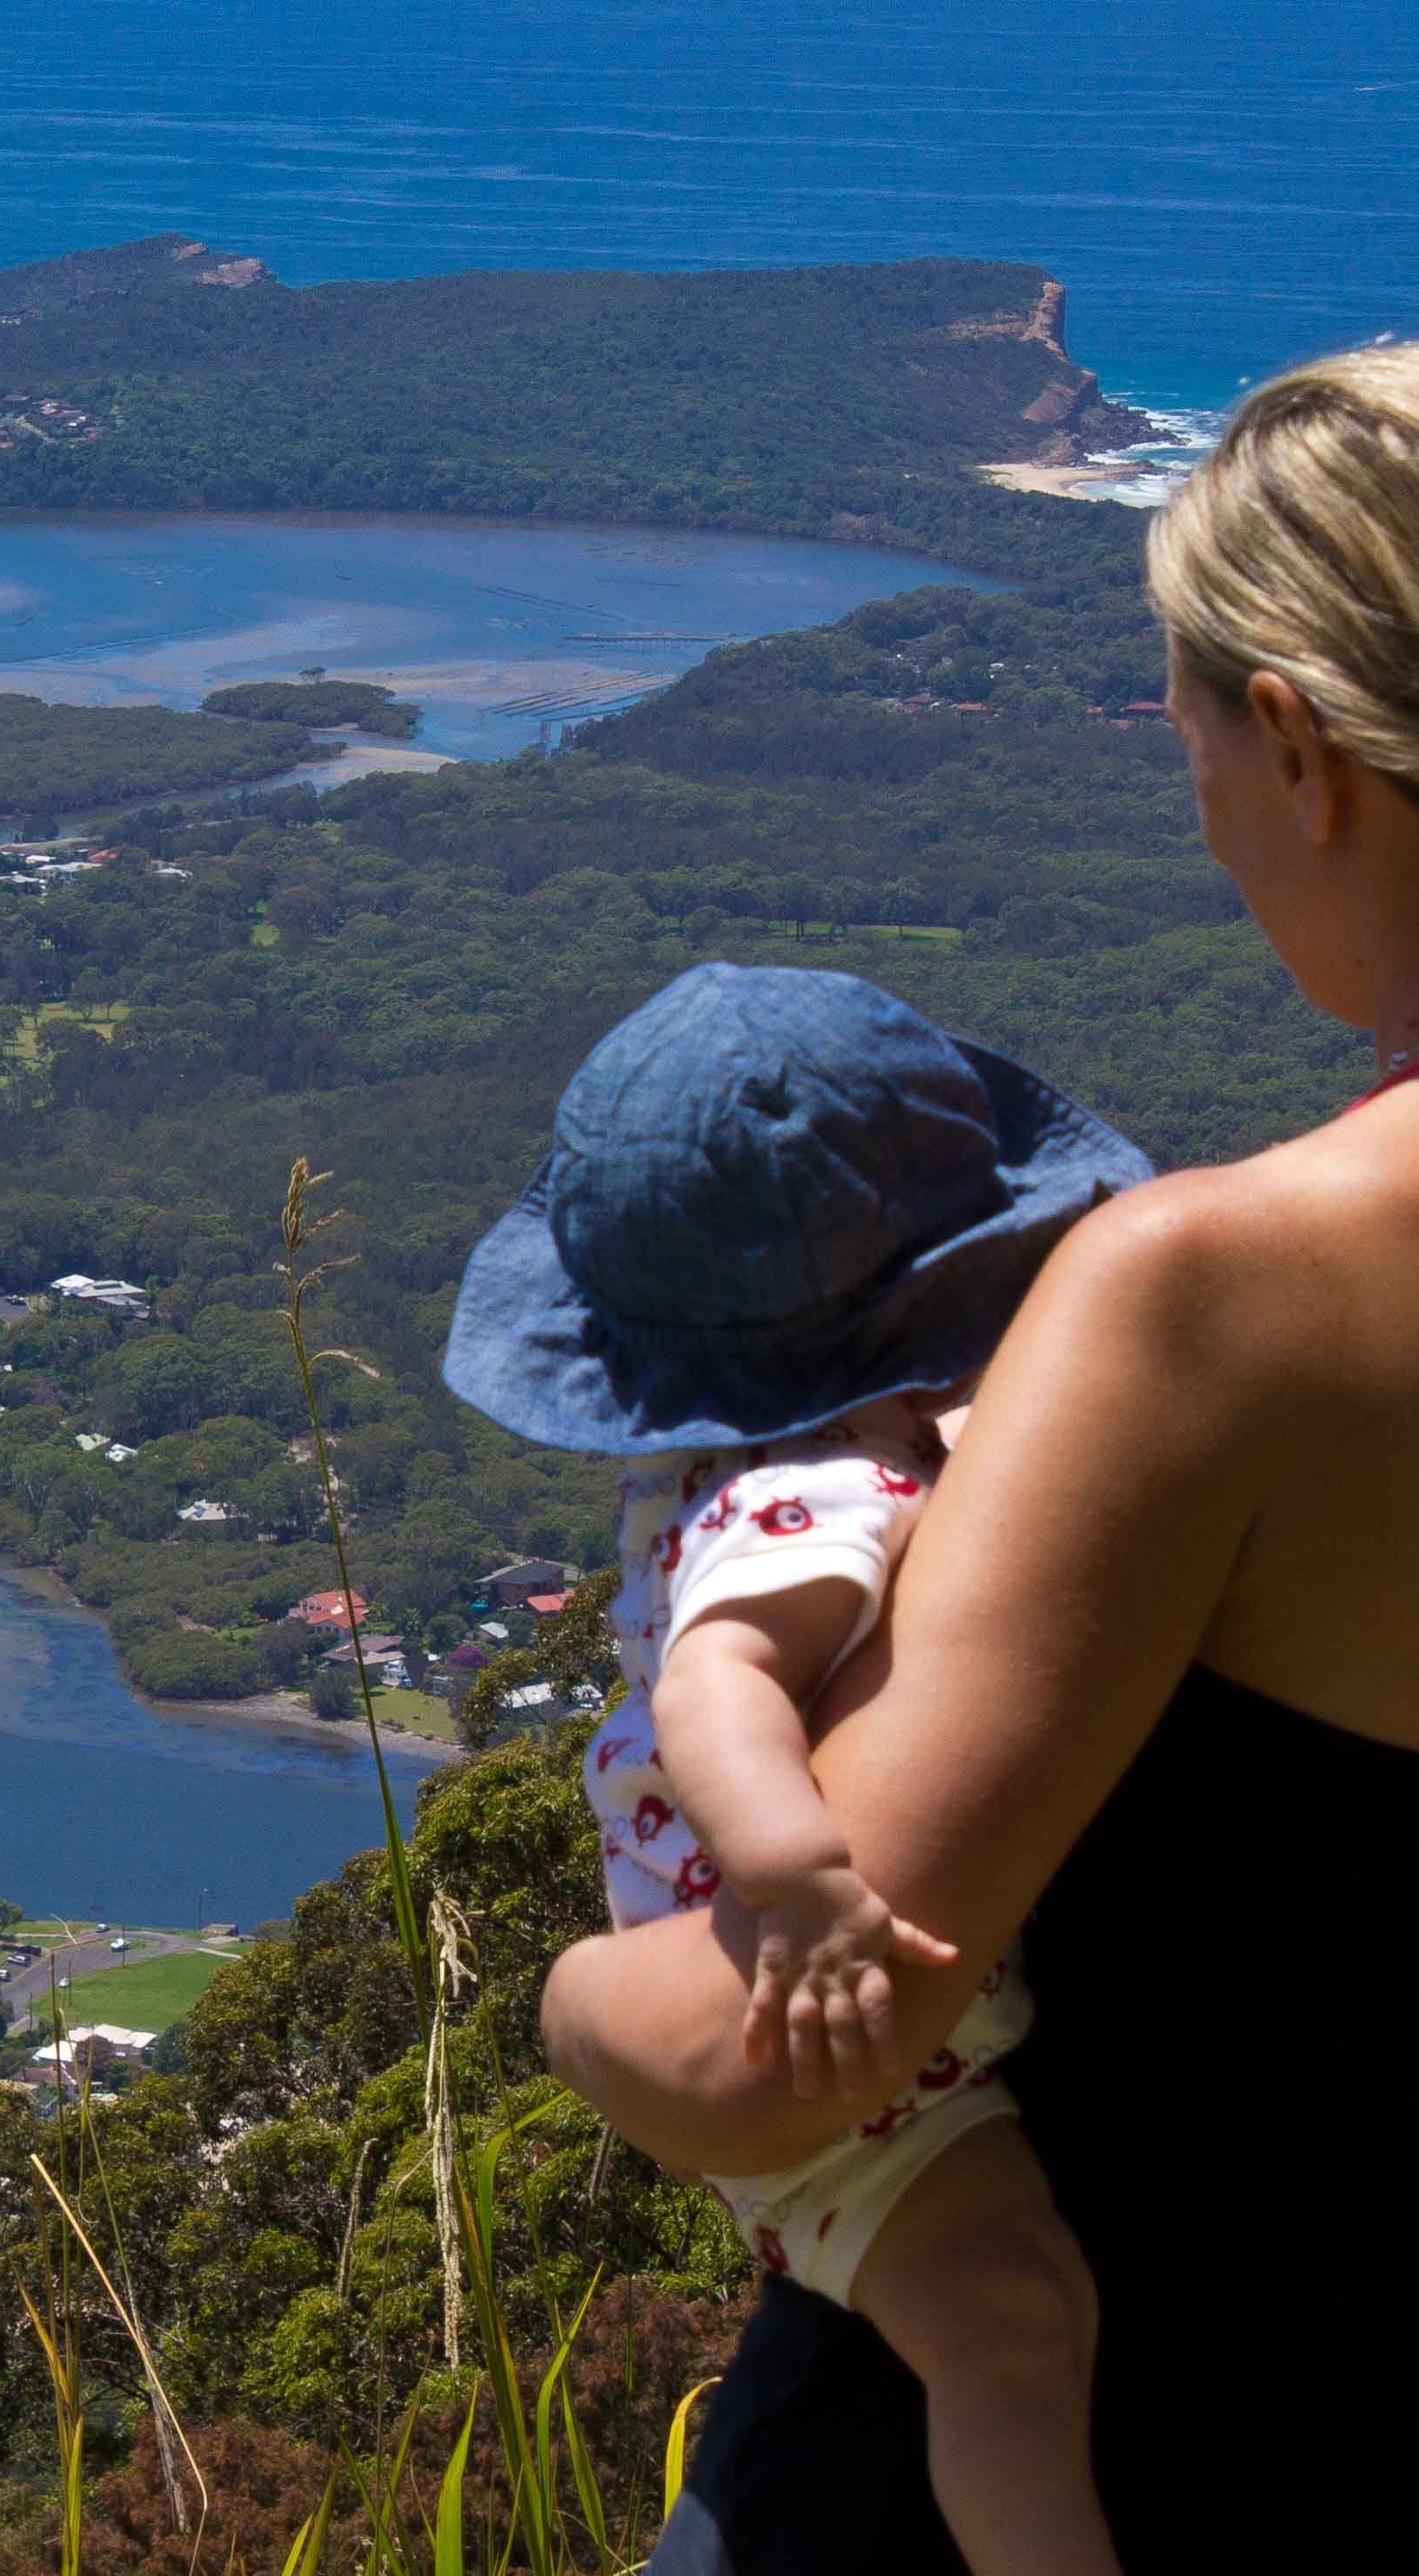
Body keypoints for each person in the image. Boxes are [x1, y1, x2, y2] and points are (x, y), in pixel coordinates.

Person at [534, 342, 1419, 2572]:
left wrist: (571, 1999)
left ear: (1295, 744)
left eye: (1189, 727)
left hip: (1062, 2481)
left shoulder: (1209, 1295)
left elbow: (778, 2048)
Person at [444, 962, 1150, 2573]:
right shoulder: (813, 1491)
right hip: (852, 2056)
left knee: (1021, 2323)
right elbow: (716, 1682)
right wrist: (806, 1883)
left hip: (877, 2057)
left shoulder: (794, 1458)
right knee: (1008, 2343)